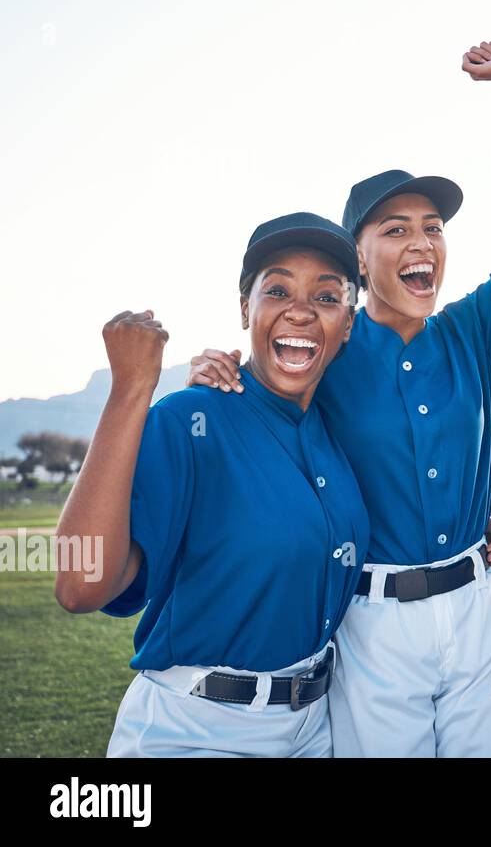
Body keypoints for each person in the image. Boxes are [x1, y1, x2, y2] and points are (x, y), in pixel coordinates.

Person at [184, 45, 491, 757]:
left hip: (477, 607)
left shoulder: (480, 325)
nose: (421, 241)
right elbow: (259, 400)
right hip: (371, 620)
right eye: (394, 229)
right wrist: (212, 365)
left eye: (432, 227)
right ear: (357, 259)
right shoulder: (324, 347)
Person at [54, 213, 370, 757]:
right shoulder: (189, 419)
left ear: (347, 322)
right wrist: (131, 390)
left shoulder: (335, 428)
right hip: (197, 730)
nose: (299, 310)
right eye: (276, 290)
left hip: (314, 728)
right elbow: (79, 585)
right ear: (245, 308)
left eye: (326, 296)